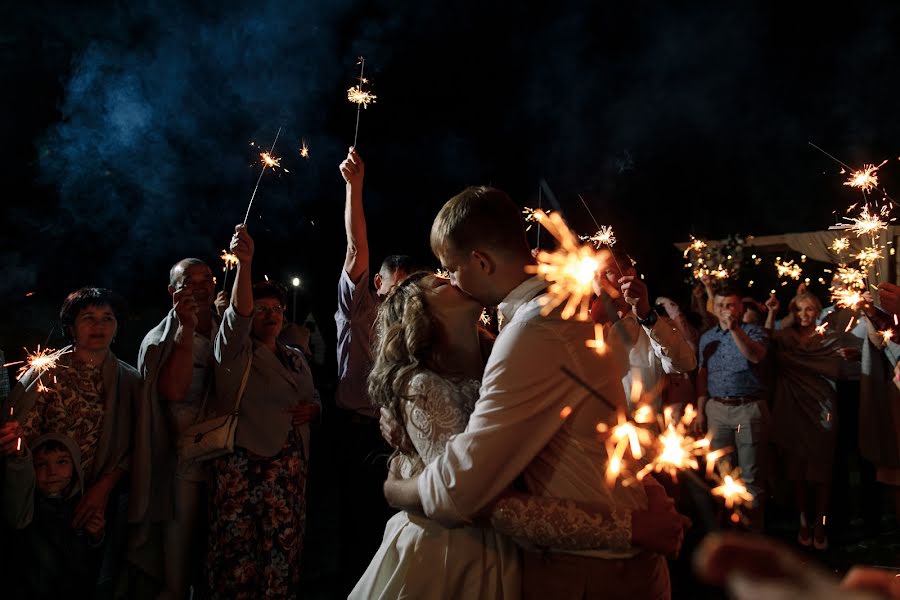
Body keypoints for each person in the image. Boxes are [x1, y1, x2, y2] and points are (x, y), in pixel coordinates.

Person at [381, 187, 688, 599]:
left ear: (481, 262)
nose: (451, 280)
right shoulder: (544, 315)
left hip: (593, 572)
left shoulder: (535, 328)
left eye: (450, 269)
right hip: (596, 559)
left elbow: (459, 493)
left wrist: (394, 486)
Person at [206, 225, 320, 600]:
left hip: (289, 480)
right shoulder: (235, 354)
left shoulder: (296, 358)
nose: (269, 315)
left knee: (281, 559)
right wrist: (245, 264)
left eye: (276, 309)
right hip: (247, 476)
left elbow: (314, 397)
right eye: (261, 308)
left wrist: (313, 408)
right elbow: (236, 319)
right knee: (241, 562)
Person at [1, 286, 140, 597]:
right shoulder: (47, 372)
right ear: (71, 327)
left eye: (107, 318)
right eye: (88, 318)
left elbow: (135, 446)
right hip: (42, 500)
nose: (99, 326)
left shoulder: (129, 380)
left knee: (84, 579)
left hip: (94, 497)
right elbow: (18, 433)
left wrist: (102, 489)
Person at [335, 147, 413, 590]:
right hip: (355, 430)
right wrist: (355, 187)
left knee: (390, 530)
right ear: (378, 283)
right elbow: (355, 247)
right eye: (394, 287)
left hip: (396, 434)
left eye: (410, 289)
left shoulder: (413, 326)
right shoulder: (359, 306)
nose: (400, 297)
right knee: (356, 528)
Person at [129, 258, 226, 599]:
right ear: (173, 291)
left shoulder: (223, 324)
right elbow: (172, 392)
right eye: (189, 281)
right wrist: (185, 331)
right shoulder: (162, 336)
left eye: (206, 279)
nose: (200, 287)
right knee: (177, 558)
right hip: (182, 459)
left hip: (228, 458)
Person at [769, 292, 860, 549]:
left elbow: (841, 363)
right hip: (793, 405)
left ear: (817, 311)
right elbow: (765, 343)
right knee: (797, 468)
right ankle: (803, 522)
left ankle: (820, 522)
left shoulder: (828, 337)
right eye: (799, 310)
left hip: (822, 405)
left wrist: (851, 355)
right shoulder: (785, 337)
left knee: (822, 467)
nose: (804, 315)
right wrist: (774, 314)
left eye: (809, 310)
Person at [695, 287, 769, 528]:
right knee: (722, 471)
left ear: (740, 308)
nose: (725, 310)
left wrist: (734, 329)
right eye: (721, 306)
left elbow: (755, 357)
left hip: (747, 408)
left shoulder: (755, 332)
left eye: (730, 305)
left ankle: (753, 530)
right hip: (717, 409)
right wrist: (700, 409)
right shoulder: (707, 337)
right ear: (714, 309)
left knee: (751, 474)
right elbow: (702, 375)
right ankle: (728, 526)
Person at [591, 252, 697, 414]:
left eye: (607, 272)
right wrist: (593, 324)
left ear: (629, 274)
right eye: (593, 276)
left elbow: (685, 363)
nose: (600, 282)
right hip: (593, 432)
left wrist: (647, 316)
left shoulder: (654, 324)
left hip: (641, 431)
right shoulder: (576, 325)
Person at [3, 434, 105, 599]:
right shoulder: (28, 507)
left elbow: (92, 560)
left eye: (62, 462)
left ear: (75, 466)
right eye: (42, 464)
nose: (52, 472)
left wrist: (96, 537)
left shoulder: (82, 505)